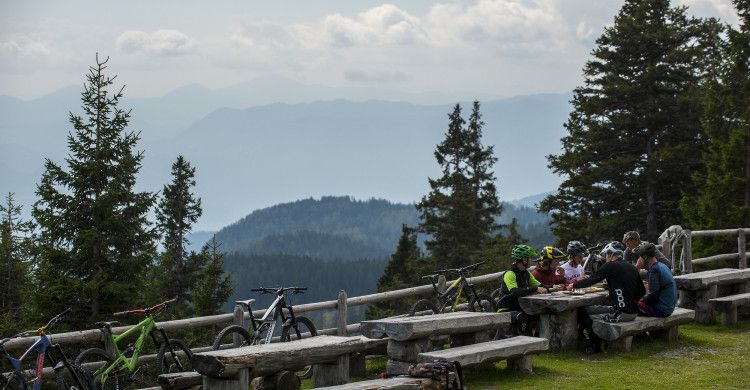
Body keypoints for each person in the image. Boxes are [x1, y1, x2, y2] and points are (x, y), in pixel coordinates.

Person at [568, 241, 645, 352]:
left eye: (606, 255)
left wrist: (573, 285)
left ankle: (595, 346)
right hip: (633, 312)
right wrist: (628, 299)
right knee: (594, 307)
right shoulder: (631, 266)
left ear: (610, 254)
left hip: (620, 313)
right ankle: (585, 339)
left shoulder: (610, 265)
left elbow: (592, 279)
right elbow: (641, 291)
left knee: (583, 312)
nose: (606, 258)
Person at [496, 244, 549, 336]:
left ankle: (538, 338)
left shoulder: (526, 273)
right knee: (523, 318)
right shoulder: (510, 273)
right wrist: (534, 289)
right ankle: (523, 340)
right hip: (506, 309)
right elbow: (515, 291)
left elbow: (540, 285)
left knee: (538, 314)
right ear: (523, 259)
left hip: (520, 307)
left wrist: (554, 288)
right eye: (529, 258)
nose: (531, 260)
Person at [634, 241, 677, 317]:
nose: (639, 259)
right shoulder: (662, 265)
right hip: (669, 307)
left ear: (645, 256)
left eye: (640, 257)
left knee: (630, 306)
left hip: (661, 310)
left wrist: (641, 300)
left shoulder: (654, 270)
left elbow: (654, 296)